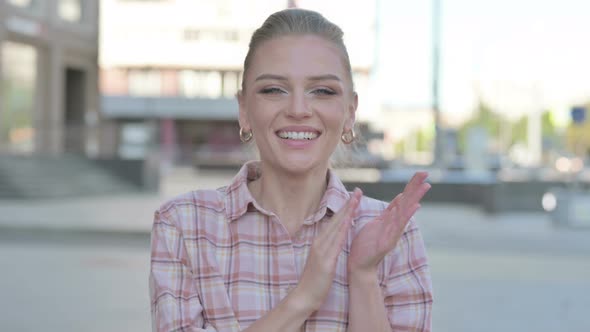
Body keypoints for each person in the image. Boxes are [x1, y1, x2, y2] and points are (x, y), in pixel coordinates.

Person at [150, 8, 433, 332]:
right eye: (273, 89)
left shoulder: (394, 234)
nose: (298, 110)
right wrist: (302, 299)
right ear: (244, 109)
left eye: (323, 91)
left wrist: (364, 276)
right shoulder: (184, 225)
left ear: (350, 112)